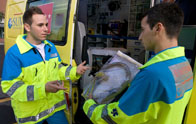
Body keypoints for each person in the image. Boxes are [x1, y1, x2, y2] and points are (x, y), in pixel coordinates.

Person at [83, 3, 193, 124]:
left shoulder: (152, 74)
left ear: (158, 28)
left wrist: (90, 105)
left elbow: (118, 117)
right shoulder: (184, 65)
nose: (140, 37)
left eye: (143, 29)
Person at [1, 6, 89, 124]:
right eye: (40, 25)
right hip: (30, 115)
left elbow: (58, 69)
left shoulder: (50, 47)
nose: (46, 29)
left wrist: (75, 71)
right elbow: (11, 87)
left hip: (54, 109)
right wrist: (43, 89)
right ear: (27, 27)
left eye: (46, 25)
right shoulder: (15, 53)